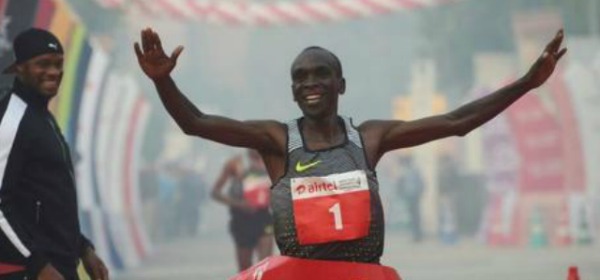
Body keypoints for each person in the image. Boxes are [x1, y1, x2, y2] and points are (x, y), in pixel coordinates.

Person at [134, 28, 566, 264]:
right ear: (292, 92)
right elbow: (196, 123)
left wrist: (527, 82)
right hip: (298, 276)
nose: (310, 84)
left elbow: (456, 122)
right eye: (300, 78)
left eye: (320, 74)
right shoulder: (276, 139)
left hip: (363, 277)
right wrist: (163, 79)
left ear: (341, 84)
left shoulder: (371, 138)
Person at [0, 28, 109, 280]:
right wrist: (36, 264)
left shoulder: (42, 117)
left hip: (59, 266)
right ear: (19, 68)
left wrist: (83, 249)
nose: (53, 72)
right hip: (27, 272)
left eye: (59, 64)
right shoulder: (12, 120)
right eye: (43, 64)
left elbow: (50, 201)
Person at [211, 150, 274, 271]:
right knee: (245, 267)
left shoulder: (271, 160)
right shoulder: (235, 163)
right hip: (241, 219)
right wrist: (239, 204)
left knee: (266, 265)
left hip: (263, 216)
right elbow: (215, 192)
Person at [397, 155, 425, 242]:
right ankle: (416, 235)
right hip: (411, 195)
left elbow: (421, 183)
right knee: (414, 216)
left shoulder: (409, 171)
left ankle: (417, 235)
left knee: (415, 216)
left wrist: (419, 193)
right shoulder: (410, 171)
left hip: (413, 196)